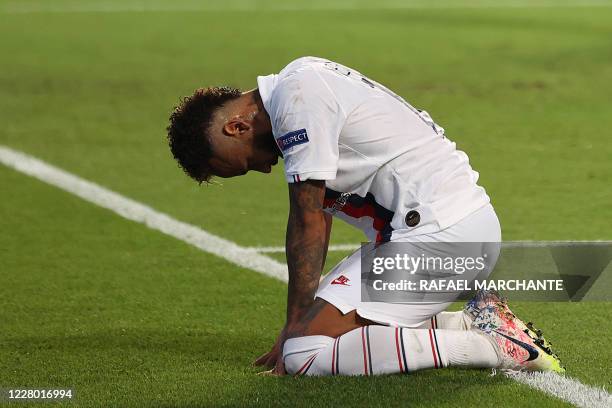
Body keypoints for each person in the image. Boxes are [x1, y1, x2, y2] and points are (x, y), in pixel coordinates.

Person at [166, 57, 563, 376]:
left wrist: (294, 329)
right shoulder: (301, 86)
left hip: (441, 236)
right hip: (445, 232)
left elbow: (308, 221)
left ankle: (493, 347)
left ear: (236, 127)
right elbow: (318, 218)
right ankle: (475, 321)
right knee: (312, 339)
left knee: (304, 353)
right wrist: (298, 321)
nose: (264, 169)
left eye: (245, 163)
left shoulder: (298, 96)